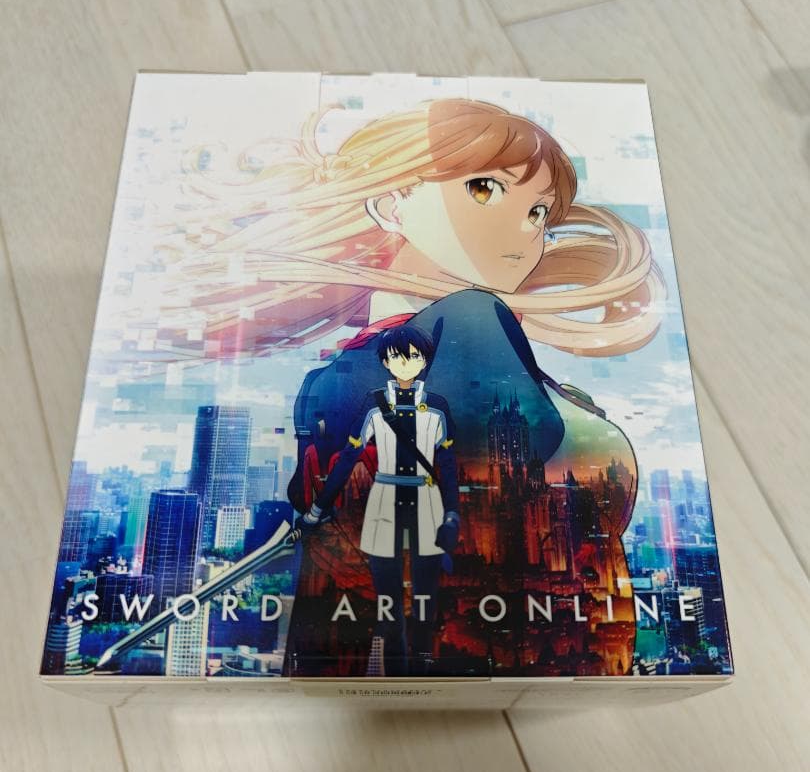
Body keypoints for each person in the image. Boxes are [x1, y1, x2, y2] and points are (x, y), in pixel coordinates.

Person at [150, 95, 667, 676]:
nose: (526, 231)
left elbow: (327, 610)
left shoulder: (330, 381)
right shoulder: (469, 323)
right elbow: (537, 449)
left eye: (539, 212)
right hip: (520, 647)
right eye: (484, 189)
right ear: (392, 205)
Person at [298, 322, 459, 675]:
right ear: (386, 361)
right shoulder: (374, 405)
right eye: (398, 357)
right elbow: (348, 458)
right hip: (385, 500)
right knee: (389, 605)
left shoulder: (437, 407)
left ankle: (422, 678)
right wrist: (317, 508)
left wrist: (452, 513)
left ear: (424, 360)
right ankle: (397, 680)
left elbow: (447, 464)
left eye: (413, 356)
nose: (406, 363)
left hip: (426, 502)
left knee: (425, 601)